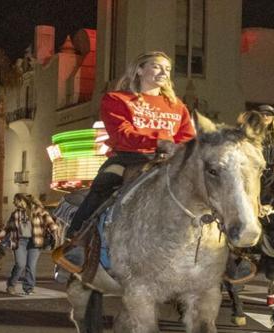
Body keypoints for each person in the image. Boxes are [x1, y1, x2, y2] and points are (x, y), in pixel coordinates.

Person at [60, 50, 196, 253]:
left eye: (167, 69)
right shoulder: (117, 99)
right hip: (129, 158)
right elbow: (121, 134)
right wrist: (158, 141)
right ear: (139, 70)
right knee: (103, 186)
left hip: (170, 160)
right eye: (156, 66)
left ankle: (231, 257)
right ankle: (77, 241)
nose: (163, 72)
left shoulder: (177, 106)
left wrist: (182, 149)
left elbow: (188, 136)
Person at [4, 194, 61, 296]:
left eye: (15, 200)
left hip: (35, 242)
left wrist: (55, 231)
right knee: (20, 264)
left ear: (21, 200)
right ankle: (11, 285)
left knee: (31, 266)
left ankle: (29, 288)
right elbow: (7, 228)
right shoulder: (16, 213)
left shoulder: (40, 211)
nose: (13, 202)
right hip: (19, 241)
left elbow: (51, 224)